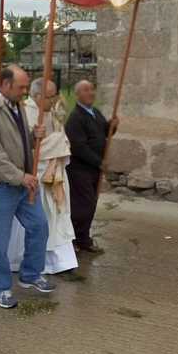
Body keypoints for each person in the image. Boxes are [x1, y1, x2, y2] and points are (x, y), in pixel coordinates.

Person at [0, 65, 56, 309]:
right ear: (6, 85)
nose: (25, 91)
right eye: (21, 87)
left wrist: (33, 134)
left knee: (39, 225)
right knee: (0, 240)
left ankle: (30, 274)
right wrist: (20, 177)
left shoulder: (15, 105)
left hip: (22, 181)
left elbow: (15, 139)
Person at [6, 78, 77, 274]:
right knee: (37, 217)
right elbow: (27, 146)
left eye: (54, 96)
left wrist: (57, 143)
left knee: (57, 215)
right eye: (48, 97)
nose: (52, 101)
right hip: (35, 173)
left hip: (55, 171)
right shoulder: (23, 112)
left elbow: (62, 137)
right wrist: (56, 142)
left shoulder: (52, 112)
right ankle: (21, 259)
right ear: (35, 95)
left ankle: (60, 261)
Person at [64, 80, 118, 253]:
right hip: (80, 169)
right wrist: (99, 161)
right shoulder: (76, 118)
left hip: (93, 170)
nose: (91, 93)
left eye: (92, 89)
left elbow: (103, 132)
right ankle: (72, 240)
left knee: (91, 204)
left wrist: (112, 126)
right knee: (83, 205)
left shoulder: (95, 113)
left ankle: (84, 239)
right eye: (86, 90)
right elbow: (78, 147)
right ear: (78, 95)